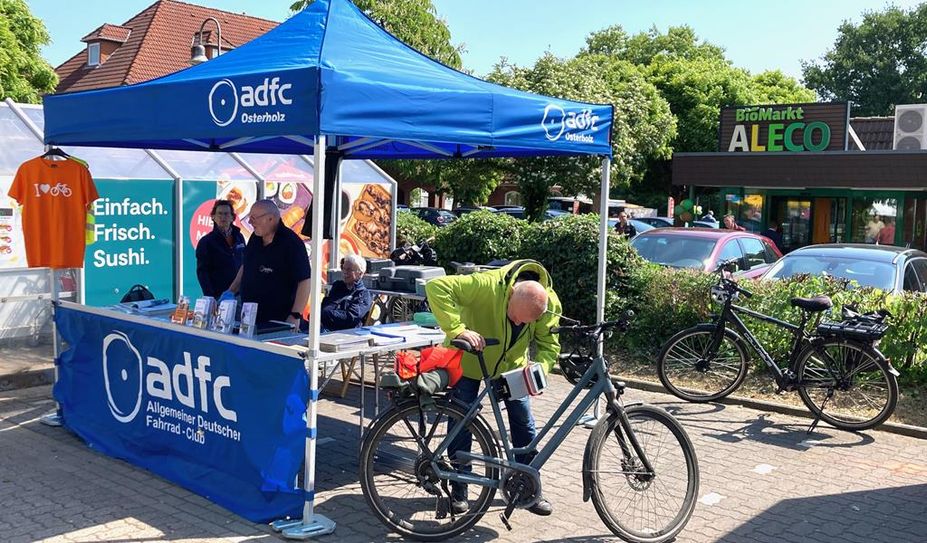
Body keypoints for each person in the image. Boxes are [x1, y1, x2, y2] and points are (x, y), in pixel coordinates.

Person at [426, 259, 561, 517]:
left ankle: (528, 489)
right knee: (460, 425)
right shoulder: (486, 284)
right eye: (514, 317)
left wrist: (541, 371)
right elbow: (436, 287)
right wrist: (457, 328)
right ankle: (459, 490)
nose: (518, 323)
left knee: (524, 424)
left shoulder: (547, 302)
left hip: (513, 368)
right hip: (469, 361)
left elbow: (549, 345)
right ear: (511, 294)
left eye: (525, 322)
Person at [226, 199, 311, 327]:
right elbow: (246, 266)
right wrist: (230, 292)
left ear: (271, 219)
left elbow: (304, 281)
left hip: (277, 320)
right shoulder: (256, 238)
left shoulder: (291, 244)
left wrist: (295, 315)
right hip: (249, 316)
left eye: (254, 218)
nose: (249, 222)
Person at [195, 200, 246, 299]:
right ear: (213, 217)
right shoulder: (206, 242)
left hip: (241, 293)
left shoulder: (239, 237)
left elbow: (245, 263)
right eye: (219, 214)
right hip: (220, 295)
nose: (223, 217)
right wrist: (210, 296)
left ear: (232, 217)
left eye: (226, 214)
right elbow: (202, 273)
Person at [321, 254, 373, 331]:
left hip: (346, 334)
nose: (345, 272)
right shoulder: (338, 286)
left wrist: (326, 314)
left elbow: (350, 318)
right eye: (343, 268)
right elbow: (326, 307)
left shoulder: (363, 294)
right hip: (325, 328)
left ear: (360, 273)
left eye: (349, 269)